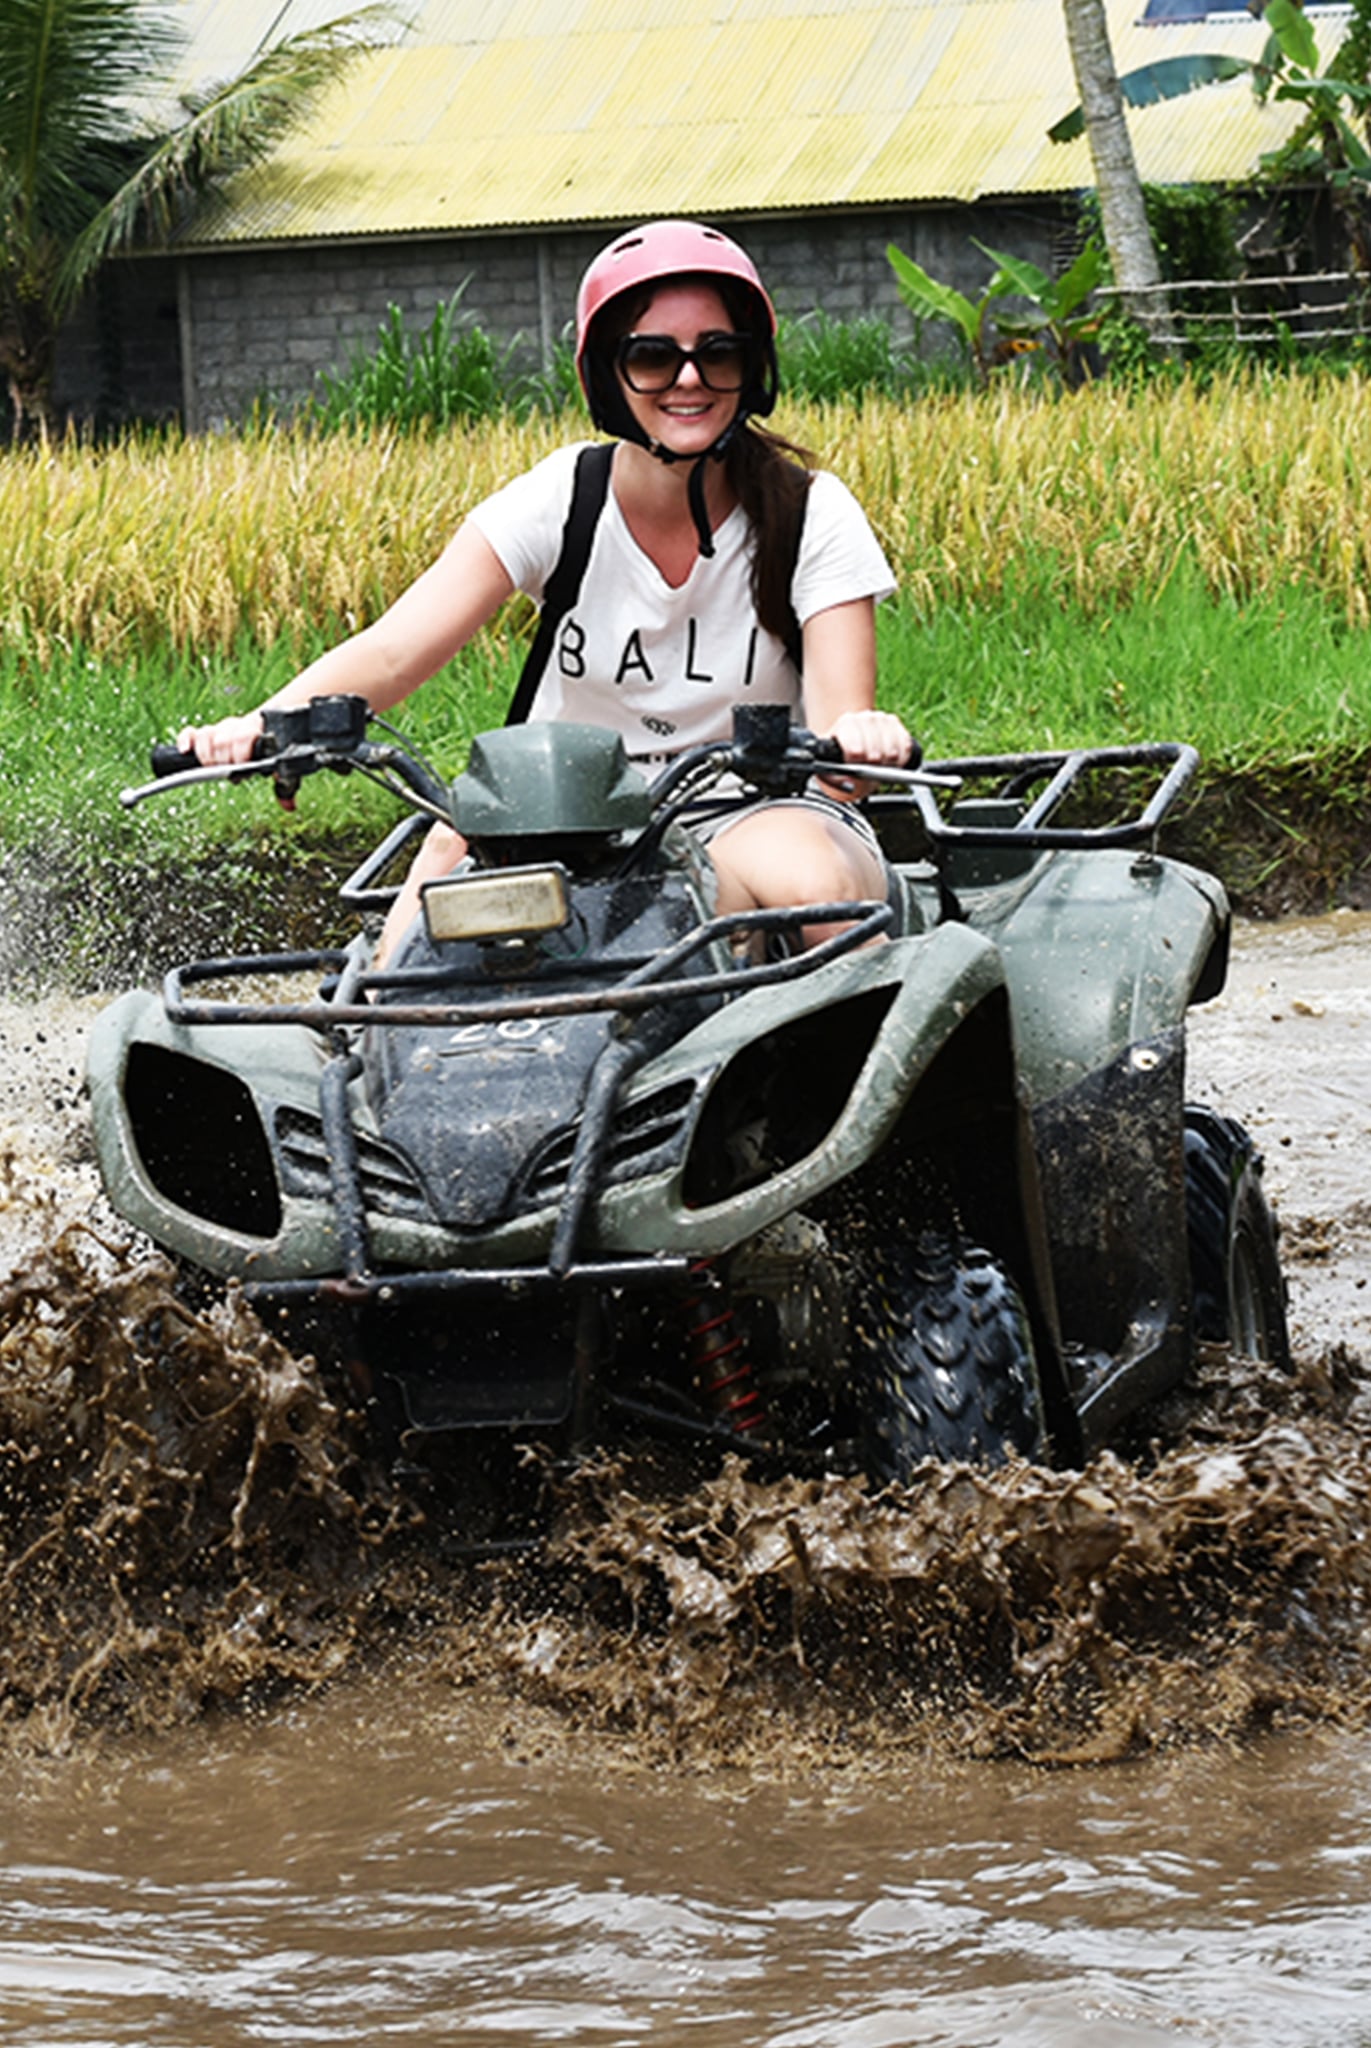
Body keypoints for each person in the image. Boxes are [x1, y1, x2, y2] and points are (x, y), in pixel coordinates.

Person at [178, 219, 914, 959]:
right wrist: (263, 723)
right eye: (652, 357)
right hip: (564, 817)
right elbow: (397, 649)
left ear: (751, 368)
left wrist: (861, 740)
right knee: (447, 859)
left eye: (717, 354)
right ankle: (364, 1036)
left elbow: (840, 727)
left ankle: (857, 1054)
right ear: (606, 375)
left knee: (815, 883)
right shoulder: (561, 499)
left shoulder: (808, 510)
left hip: (753, 807)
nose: (687, 379)